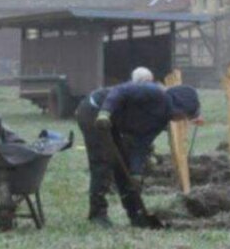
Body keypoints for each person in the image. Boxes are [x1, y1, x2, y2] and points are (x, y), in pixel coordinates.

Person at [76, 81, 201, 228]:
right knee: (103, 162)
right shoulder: (153, 92)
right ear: (180, 105)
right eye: (185, 115)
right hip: (95, 109)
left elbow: (140, 146)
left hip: (113, 121)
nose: (183, 119)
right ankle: (97, 214)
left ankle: (136, 215)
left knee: (124, 167)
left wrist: (135, 173)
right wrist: (105, 112)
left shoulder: (160, 121)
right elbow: (119, 91)